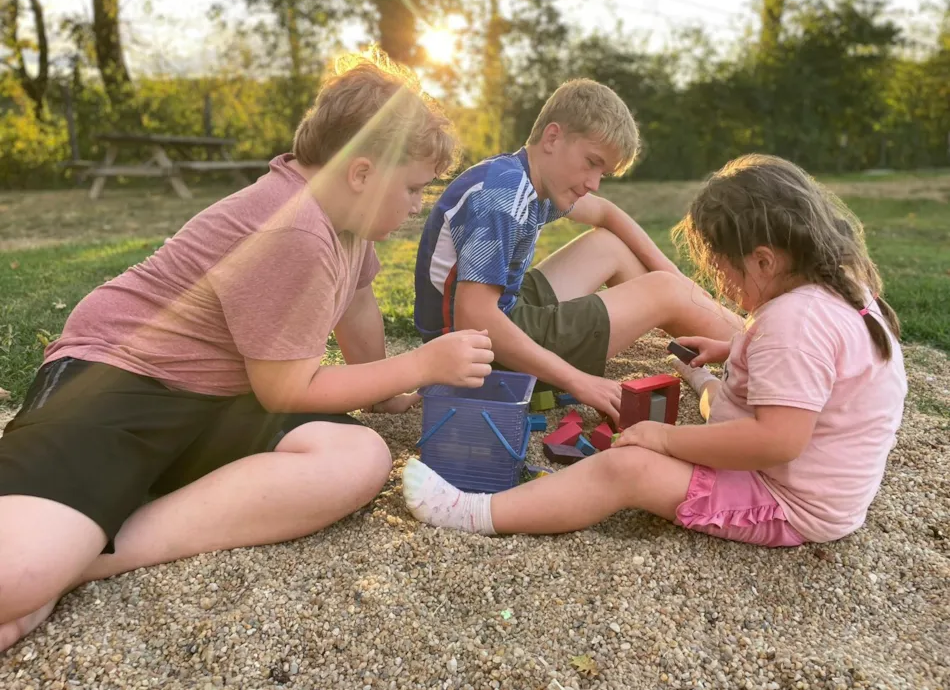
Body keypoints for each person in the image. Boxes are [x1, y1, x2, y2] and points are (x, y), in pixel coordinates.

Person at [0, 49, 494, 651]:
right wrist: (419, 364)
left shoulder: (347, 221)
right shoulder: (294, 227)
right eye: (413, 187)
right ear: (362, 173)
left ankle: (99, 551)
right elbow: (285, 390)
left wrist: (383, 388)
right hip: (117, 381)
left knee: (358, 455)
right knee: (15, 576)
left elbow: (357, 300)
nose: (418, 205)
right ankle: (59, 553)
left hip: (215, 397)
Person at [403, 154, 907, 549]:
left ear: (763, 261)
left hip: (783, 503)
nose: (722, 285)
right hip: (811, 485)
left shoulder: (793, 323)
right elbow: (818, 371)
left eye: (722, 270)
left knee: (627, 468)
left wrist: (665, 439)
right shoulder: (835, 293)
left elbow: (777, 441)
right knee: (717, 397)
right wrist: (735, 345)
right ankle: (703, 381)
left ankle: (475, 512)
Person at [413, 78, 742, 426]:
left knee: (610, 247)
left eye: (603, 173)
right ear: (552, 137)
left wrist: (673, 273)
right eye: (591, 162)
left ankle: (718, 322)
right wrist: (579, 381)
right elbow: (474, 318)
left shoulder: (518, 176)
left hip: (502, 311)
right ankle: (763, 345)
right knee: (665, 291)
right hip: (480, 356)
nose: (594, 183)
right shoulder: (503, 195)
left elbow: (606, 213)